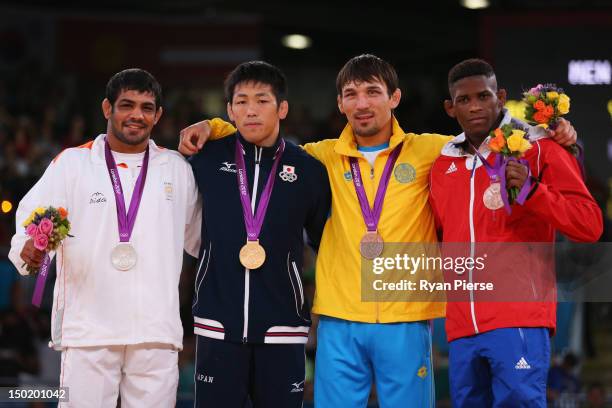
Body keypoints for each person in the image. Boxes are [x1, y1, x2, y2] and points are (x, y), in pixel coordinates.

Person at [178, 54, 577, 407]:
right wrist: (212, 124)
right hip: (338, 320)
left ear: (395, 98)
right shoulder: (319, 157)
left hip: (406, 319)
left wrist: (557, 135)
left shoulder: (434, 150)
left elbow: (489, 135)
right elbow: (258, 134)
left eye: (372, 92)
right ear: (339, 104)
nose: (362, 103)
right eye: (351, 94)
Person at [8, 68, 201, 407]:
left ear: (158, 116)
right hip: (89, 329)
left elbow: (202, 240)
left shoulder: (176, 168)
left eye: (146, 107)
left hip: (155, 330)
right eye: (127, 105)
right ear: (107, 108)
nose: (136, 115)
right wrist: (29, 251)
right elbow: (30, 225)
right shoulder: (73, 164)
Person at [428, 58, 602, 407]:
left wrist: (534, 192)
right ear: (450, 107)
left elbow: (589, 224)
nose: (475, 106)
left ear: (501, 97)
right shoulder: (442, 165)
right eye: (464, 100)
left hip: (518, 318)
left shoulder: (540, 147)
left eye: (483, 96)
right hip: (461, 328)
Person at [188, 61, 331, 407]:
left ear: (282, 107)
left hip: (282, 326)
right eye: (241, 101)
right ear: (229, 110)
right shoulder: (203, 160)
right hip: (217, 324)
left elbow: (326, 242)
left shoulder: (309, 170)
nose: (251, 110)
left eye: (262, 100)